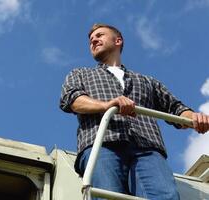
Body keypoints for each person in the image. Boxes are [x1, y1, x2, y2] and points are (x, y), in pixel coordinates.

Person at [59, 23, 209, 199]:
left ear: (118, 41)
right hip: (103, 145)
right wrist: (107, 105)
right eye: (91, 40)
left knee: (165, 196)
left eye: (99, 35)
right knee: (109, 197)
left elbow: (176, 108)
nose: (94, 40)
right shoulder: (80, 74)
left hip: (147, 148)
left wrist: (195, 118)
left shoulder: (147, 81)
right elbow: (72, 100)